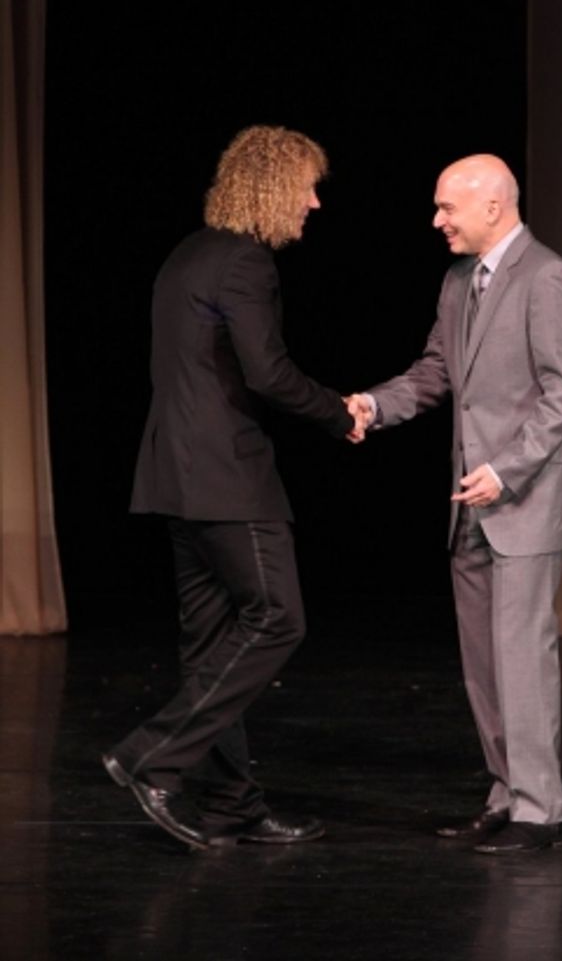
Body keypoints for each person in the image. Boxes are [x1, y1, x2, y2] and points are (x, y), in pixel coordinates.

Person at [104, 125, 366, 850]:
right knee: (279, 618)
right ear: (275, 189)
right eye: (307, 188)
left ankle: (232, 804)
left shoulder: (188, 254)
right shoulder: (246, 263)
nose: (314, 203)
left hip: (174, 474)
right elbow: (268, 373)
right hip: (226, 477)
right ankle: (151, 756)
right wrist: (338, 412)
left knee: (212, 642)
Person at [348, 154, 562, 855]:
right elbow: (436, 372)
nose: (437, 221)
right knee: (484, 664)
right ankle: (506, 794)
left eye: (446, 208)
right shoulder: (459, 281)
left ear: (493, 206)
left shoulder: (548, 278)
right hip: (469, 502)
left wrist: (505, 471)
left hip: (525, 496)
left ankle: (541, 811)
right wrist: (373, 406)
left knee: (522, 657)